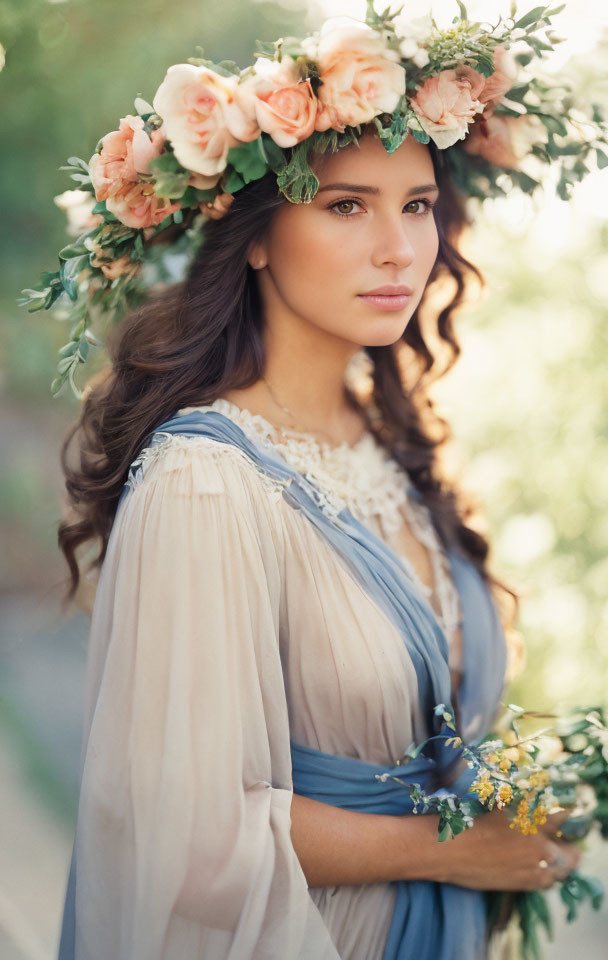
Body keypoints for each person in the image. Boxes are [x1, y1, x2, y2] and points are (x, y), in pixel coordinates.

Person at [38, 6, 604, 959]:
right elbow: (190, 839)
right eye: (346, 205)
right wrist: (460, 851)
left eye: (416, 205)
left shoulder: (389, 445)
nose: (398, 250)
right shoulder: (205, 483)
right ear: (255, 237)